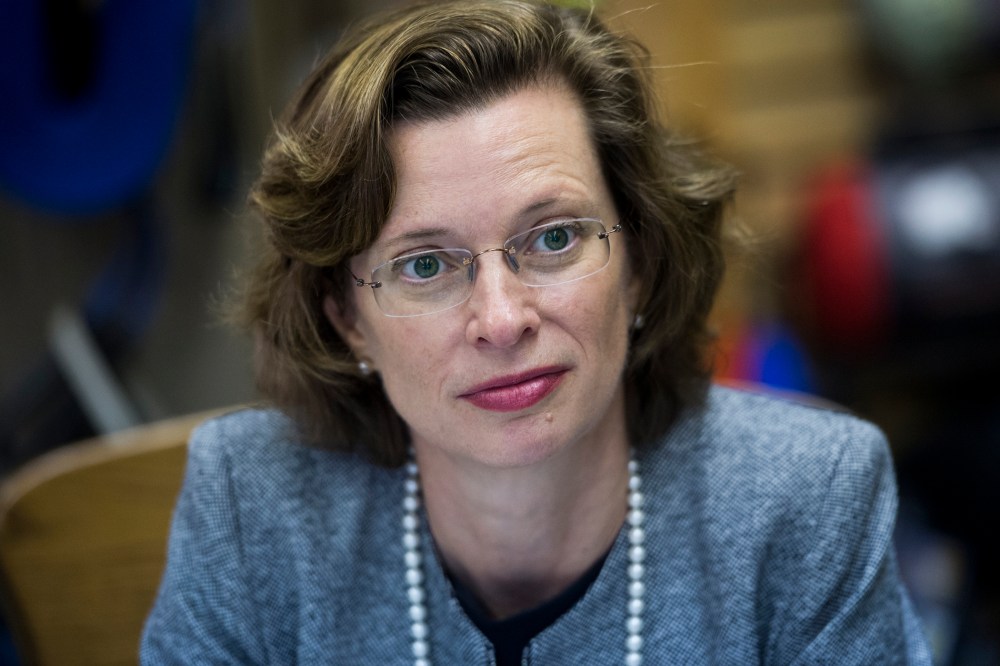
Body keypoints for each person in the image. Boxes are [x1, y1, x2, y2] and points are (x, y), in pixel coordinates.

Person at [141, 0, 932, 663]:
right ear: (345, 318)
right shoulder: (251, 506)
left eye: (554, 238)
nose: (502, 319)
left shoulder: (807, 498)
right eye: (424, 266)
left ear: (641, 266)